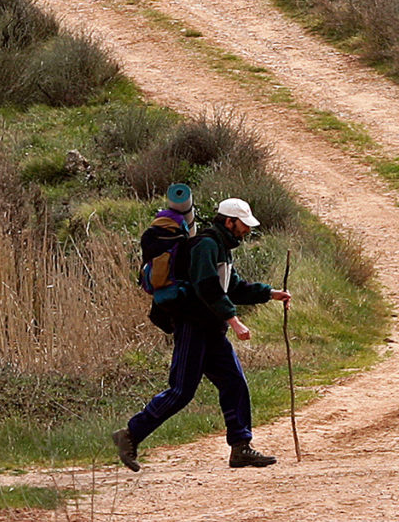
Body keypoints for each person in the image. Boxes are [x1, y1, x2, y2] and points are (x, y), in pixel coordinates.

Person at [114, 197, 291, 470]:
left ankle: (241, 447)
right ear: (229, 221)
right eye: (243, 225)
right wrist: (235, 321)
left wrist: (269, 293)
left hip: (210, 329)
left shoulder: (220, 247)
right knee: (181, 391)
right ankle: (130, 435)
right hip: (193, 326)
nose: (247, 230)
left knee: (234, 383)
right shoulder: (207, 245)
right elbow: (207, 287)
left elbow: (233, 286)